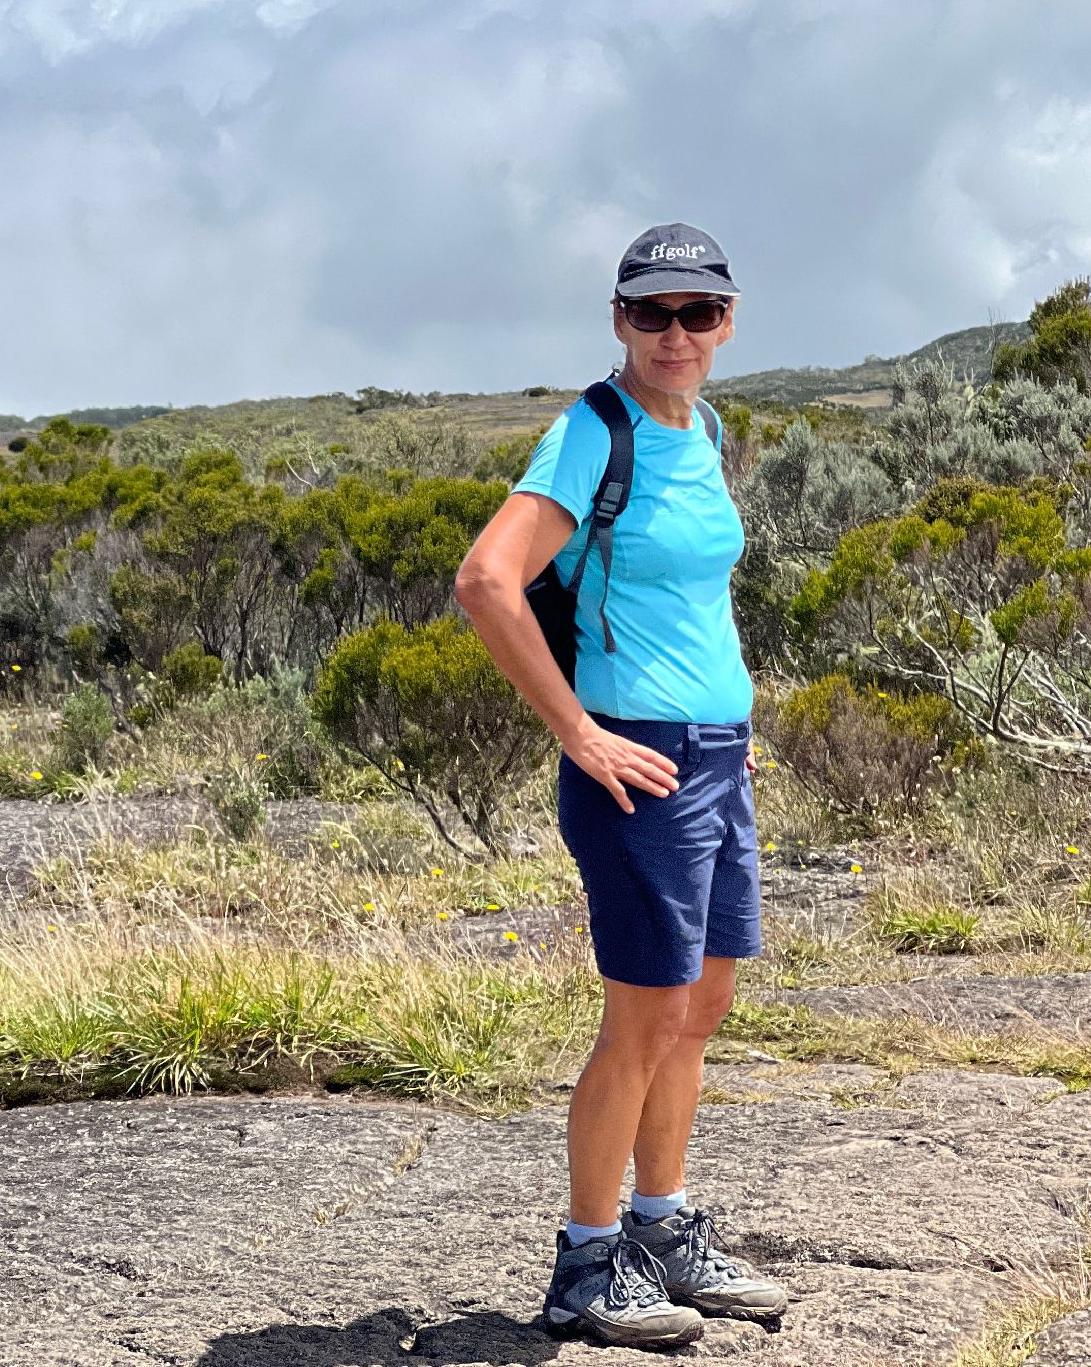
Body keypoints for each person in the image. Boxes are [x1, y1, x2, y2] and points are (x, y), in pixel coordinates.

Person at [453, 223, 789, 1349]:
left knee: (698, 1012)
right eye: (651, 312)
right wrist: (579, 732)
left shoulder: (702, 428)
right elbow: (487, 581)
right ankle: (587, 1261)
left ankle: (661, 1227)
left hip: (713, 755)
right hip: (636, 766)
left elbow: (695, 597)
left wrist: (727, 722)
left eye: (698, 312)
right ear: (618, 320)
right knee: (642, 1021)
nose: (674, 333)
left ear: (728, 321)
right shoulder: (592, 432)